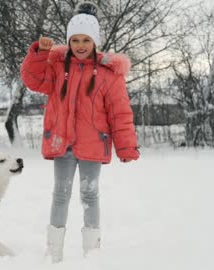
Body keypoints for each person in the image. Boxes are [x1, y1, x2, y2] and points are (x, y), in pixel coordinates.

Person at [20, 1, 139, 263]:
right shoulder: (56, 66)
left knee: (89, 193)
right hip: (62, 142)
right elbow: (31, 79)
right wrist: (39, 52)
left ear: (95, 41)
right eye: (75, 40)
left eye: (86, 39)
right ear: (69, 41)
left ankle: (92, 253)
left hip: (93, 144)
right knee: (60, 193)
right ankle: (54, 252)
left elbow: (120, 112)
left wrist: (126, 146)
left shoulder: (109, 74)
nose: (81, 45)